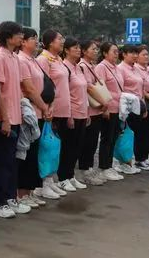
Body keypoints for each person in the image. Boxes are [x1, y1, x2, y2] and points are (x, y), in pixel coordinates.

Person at [0, 21, 28, 216]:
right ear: (8, 37)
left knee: (12, 161)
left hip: (16, 117)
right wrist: (4, 118)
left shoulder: (14, 57)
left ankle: (11, 197)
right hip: (5, 118)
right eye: (18, 33)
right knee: (1, 162)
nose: (21, 37)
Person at [16, 27, 53, 205]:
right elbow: (29, 89)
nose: (36, 42)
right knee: (27, 154)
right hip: (30, 113)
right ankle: (21, 194)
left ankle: (29, 191)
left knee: (34, 155)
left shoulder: (33, 60)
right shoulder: (22, 60)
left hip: (39, 111)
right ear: (23, 42)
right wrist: (44, 107)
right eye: (33, 38)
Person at [37, 30, 71, 196]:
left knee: (56, 147)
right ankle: (42, 183)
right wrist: (47, 107)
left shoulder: (58, 59)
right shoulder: (43, 59)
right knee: (47, 148)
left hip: (63, 109)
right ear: (50, 42)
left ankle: (50, 179)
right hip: (51, 111)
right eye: (59, 39)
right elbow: (44, 86)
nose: (62, 41)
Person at [77, 40, 111, 185]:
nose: (96, 51)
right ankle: (84, 171)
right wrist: (103, 101)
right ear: (84, 51)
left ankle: (89, 168)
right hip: (89, 110)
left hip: (96, 110)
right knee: (87, 142)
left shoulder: (91, 66)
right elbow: (89, 88)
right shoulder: (82, 66)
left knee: (92, 142)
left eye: (97, 49)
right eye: (93, 49)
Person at [60, 37, 90, 188]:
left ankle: (70, 175)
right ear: (66, 50)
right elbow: (65, 93)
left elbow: (84, 91)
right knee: (68, 147)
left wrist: (87, 112)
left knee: (77, 147)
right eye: (75, 47)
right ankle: (63, 178)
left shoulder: (79, 68)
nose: (78, 50)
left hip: (83, 112)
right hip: (72, 113)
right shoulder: (64, 68)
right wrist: (69, 115)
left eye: (79, 47)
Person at [94, 42, 124, 181]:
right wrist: (103, 107)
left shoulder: (116, 68)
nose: (116, 54)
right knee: (107, 138)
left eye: (117, 51)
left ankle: (109, 165)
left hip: (118, 108)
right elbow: (100, 87)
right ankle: (103, 167)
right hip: (108, 108)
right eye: (114, 51)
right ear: (105, 53)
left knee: (113, 138)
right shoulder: (102, 67)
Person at [116, 45, 144, 174]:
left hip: (137, 107)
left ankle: (128, 160)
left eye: (136, 53)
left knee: (133, 135)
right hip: (126, 108)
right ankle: (122, 162)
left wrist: (143, 106)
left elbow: (140, 89)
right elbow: (119, 89)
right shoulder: (120, 69)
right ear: (124, 54)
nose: (135, 55)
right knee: (124, 136)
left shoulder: (136, 69)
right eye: (132, 53)